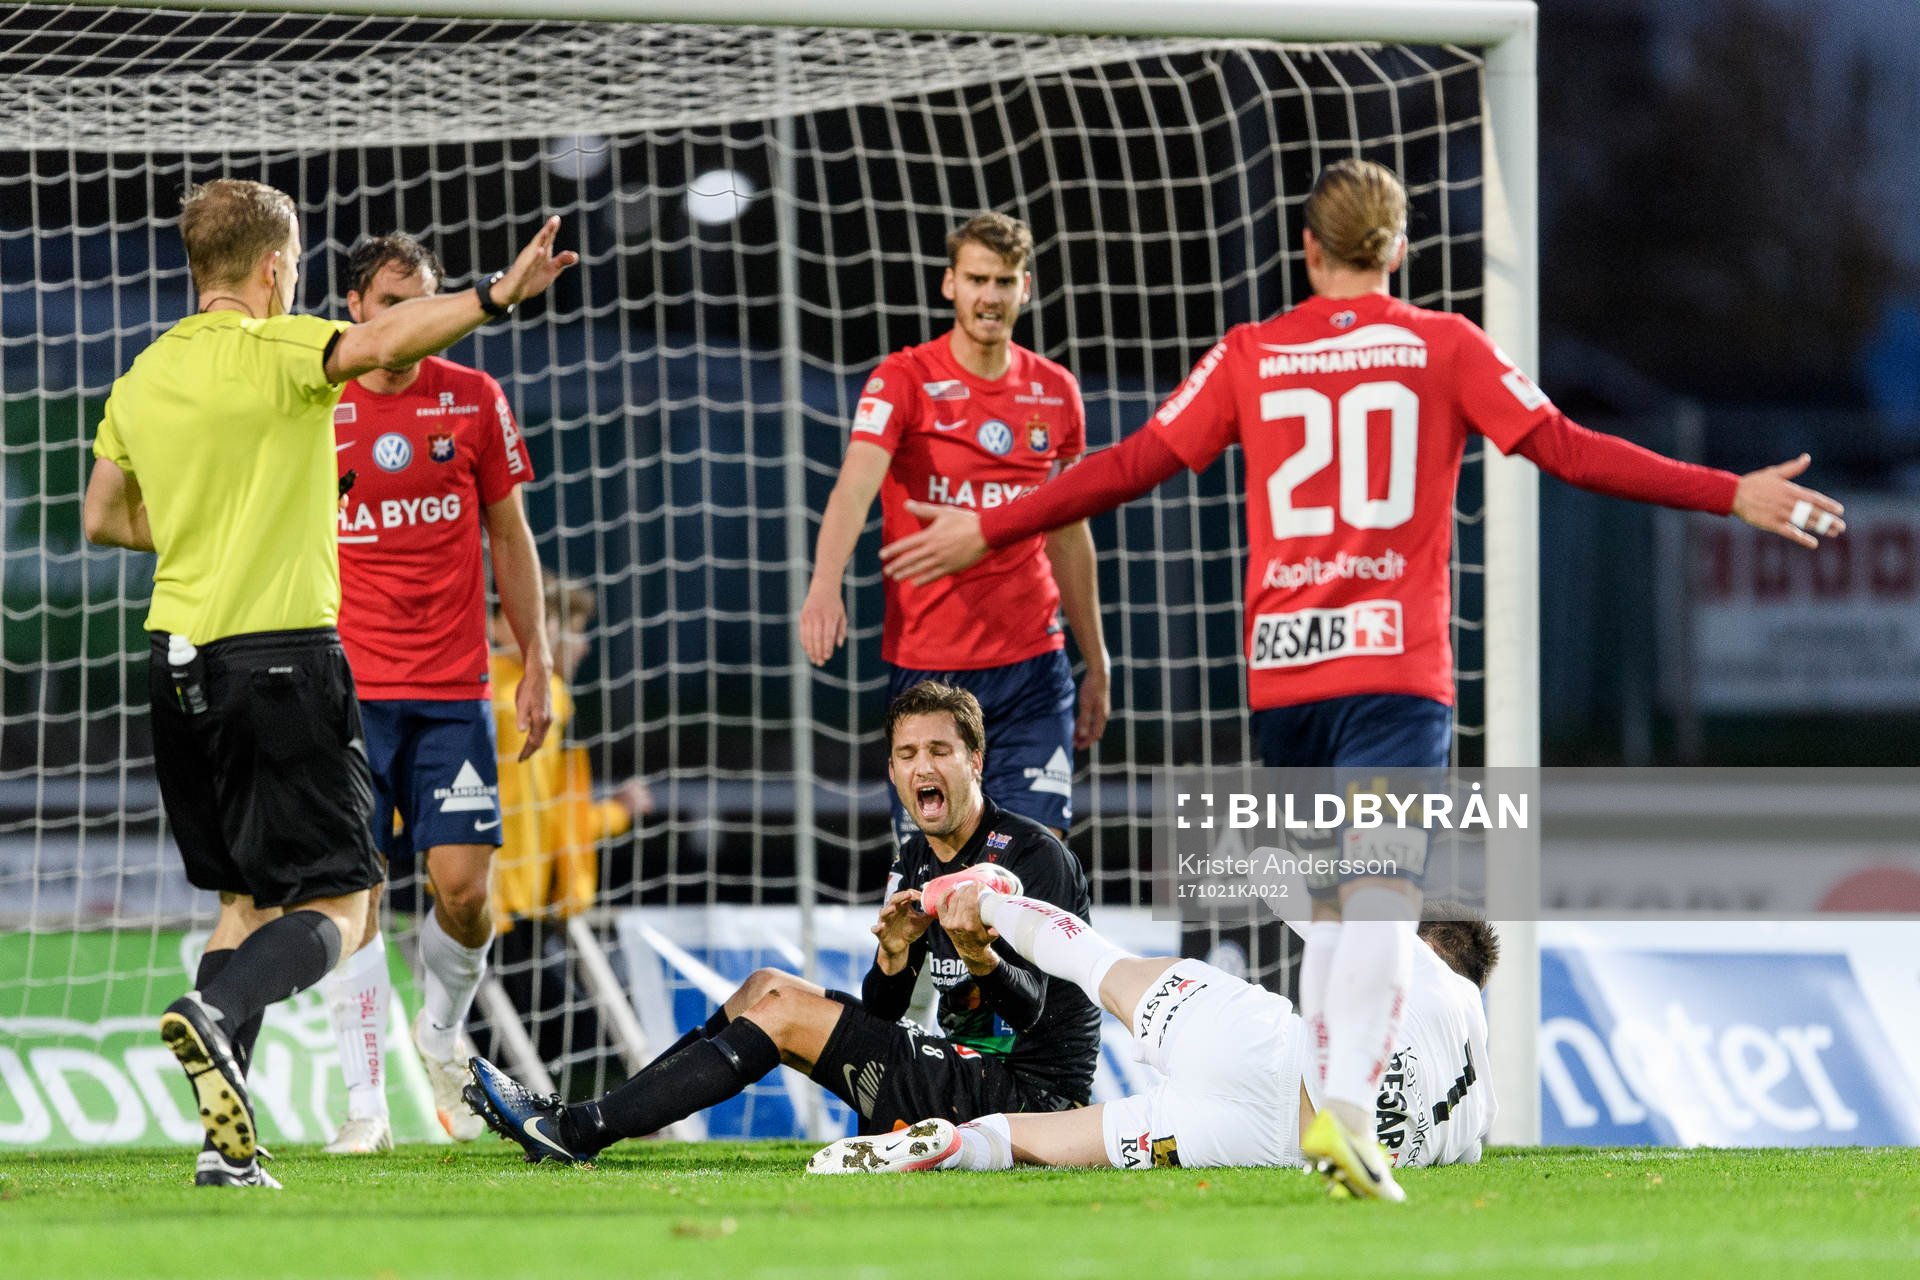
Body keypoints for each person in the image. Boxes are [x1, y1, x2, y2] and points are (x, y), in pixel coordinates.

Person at [875, 159, 1848, 1198]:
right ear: (1397, 252)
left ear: (1308, 250)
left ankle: (1323, 1100)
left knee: (1324, 904)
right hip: (1394, 672)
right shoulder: (1445, 345)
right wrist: (1724, 491)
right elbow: (1566, 448)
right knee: (1378, 902)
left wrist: (989, 521)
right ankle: (1342, 1114)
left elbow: (1129, 465)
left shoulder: (1253, 351)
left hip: (1288, 674)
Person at [82, 176, 575, 1187]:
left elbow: (102, 515)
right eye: (296, 264)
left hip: (173, 662)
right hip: (283, 658)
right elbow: (377, 348)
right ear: (275, 267)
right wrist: (495, 295)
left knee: (244, 898)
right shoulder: (287, 347)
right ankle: (216, 1012)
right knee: (347, 899)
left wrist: (209, 529)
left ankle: (227, 1149)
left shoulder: (143, 372)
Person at [462, 681, 1101, 1163]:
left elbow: (1041, 1016)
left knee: (785, 1016)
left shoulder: (1031, 856)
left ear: (976, 762)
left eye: (940, 751)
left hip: (1033, 1101)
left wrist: (982, 959)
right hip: (962, 1070)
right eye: (907, 754)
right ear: (892, 772)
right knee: (762, 986)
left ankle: (574, 1133)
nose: (922, 767)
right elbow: (885, 1010)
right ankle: (587, 1119)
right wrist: (893, 956)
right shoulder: (914, 858)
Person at [322, 232, 555, 1155]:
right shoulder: (319, 401)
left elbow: (510, 533)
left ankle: (440, 1030)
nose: (410, 320)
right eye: (390, 302)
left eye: (422, 300)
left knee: (461, 894)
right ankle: (366, 1105)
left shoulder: (473, 399)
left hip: (454, 689)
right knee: (356, 895)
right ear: (355, 308)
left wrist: (534, 655)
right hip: (347, 694)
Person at [808, 883, 1497, 1193]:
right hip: (1267, 1144)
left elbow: (1293, 894)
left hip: (1262, 1049)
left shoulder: (1406, 956)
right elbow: (1463, 1150)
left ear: (1426, 939)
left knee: (1100, 967)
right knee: (1058, 1142)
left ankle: (985, 898)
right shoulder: (1481, 1099)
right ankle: (958, 1144)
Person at [800, 212, 1109, 841]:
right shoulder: (905, 379)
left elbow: (1069, 532)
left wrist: (1096, 659)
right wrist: (824, 583)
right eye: (976, 279)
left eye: (1003, 281)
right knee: (936, 875)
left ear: (1024, 288)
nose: (989, 296)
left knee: (1035, 861)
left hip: (1033, 667)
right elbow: (856, 482)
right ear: (950, 285)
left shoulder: (1056, 393)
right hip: (930, 672)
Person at [484, 579, 650, 1086]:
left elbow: (558, 819)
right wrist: (618, 812)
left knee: (558, 1028)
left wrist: (613, 813)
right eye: (571, 629)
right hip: (492, 898)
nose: (581, 645)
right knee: (575, 1029)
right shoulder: (503, 694)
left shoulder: (542, 697)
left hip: (524, 901)